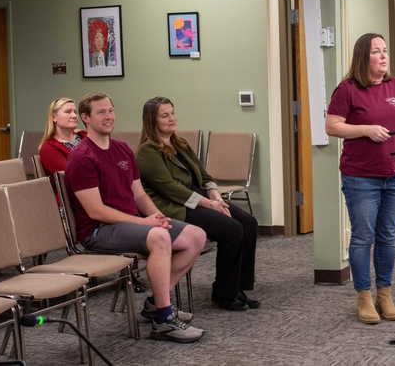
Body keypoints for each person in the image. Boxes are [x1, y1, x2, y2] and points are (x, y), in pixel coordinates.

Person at [65, 92, 207, 343]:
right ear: (85, 118)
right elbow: (95, 211)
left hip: (130, 223)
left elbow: (138, 193)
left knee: (196, 236)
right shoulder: (82, 157)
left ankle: (154, 303)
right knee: (159, 238)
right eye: (101, 112)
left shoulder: (121, 148)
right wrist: (145, 223)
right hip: (99, 231)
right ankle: (163, 319)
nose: (108, 116)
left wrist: (156, 215)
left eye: (110, 110)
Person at [135, 97, 259, 311]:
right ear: (151, 120)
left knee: (248, 223)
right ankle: (224, 293)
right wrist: (209, 204)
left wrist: (215, 196)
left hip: (199, 197)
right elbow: (170, 188)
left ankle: (239, 287)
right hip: (176, 205)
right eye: (165, 115)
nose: (172, 118)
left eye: (172, 113)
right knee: (231, 229)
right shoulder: (147, 151)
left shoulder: (179, 143)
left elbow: (203, 175)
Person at [325, 33, 395, 325]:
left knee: (388, 236)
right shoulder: (347, 89)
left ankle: (384, 294)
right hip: (361, 177)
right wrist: (365, 129)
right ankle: (363, 296)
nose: (384, 56)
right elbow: (333, 126)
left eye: (386, 50)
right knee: (363, 237)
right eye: (377, 51)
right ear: (364, 57)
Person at [39, 97, 86, 177]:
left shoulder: (85, 135)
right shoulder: (48, 148)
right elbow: (73, 174)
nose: (74, 115)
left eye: (75, 112)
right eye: (68, 112)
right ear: (54, 117)